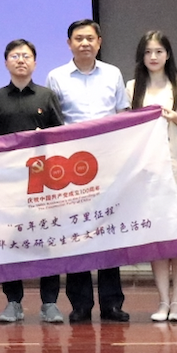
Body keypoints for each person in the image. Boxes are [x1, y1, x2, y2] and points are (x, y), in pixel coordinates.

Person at [46, 18, 130, 323]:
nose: (84, 43)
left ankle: (112, 303)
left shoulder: (113, 74)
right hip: (72, 166)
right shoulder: (56, 77)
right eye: (78, 38)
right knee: (76, 232)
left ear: (99, 42)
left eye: (90, 38)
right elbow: (54, 121)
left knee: (108, 230)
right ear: (69, 43)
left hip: (107, 163)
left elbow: (123, 114)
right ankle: (80, 304)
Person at [126, 30, 177, 322]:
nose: (153, 57)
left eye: (158, 51)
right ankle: (162, 301)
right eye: (148, 52)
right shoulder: (132, 88)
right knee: (159, 239)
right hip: (149, 174)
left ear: (168, 55)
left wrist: (175, 117)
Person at [0, 38, 64, 324]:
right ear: (6, 62)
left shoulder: (46, 95)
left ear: (35, 63)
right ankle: (13, 302)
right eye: (15, 56)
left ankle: (49, 303)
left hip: (42, 180)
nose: (20, 60)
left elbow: (59, 138)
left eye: (26, 56)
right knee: (11, 240)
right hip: (9, 182)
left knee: (47, 238)